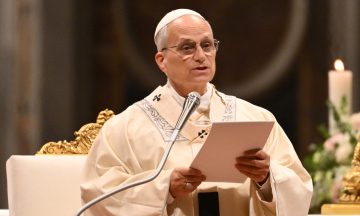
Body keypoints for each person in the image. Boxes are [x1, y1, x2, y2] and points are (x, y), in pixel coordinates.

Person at [80, 8, 313, 216]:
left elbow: (299, 189)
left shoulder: (256, 118)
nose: (201, 56)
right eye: (187, 47)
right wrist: (165, 188)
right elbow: (98, 195)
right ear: (162, 60)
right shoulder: (125, 128)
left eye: (207, 45)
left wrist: (266, 178)